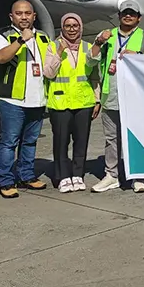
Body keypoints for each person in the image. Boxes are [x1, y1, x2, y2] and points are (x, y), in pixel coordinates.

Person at [89, 0, 144, 194]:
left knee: (136, 137)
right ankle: (112, 175)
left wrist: (139, 54)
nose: (128, 16)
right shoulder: (107, 36)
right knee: (112, 139)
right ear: (119, 16)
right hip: (111, 95)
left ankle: (138, 175)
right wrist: (99, 42)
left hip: (136, 97)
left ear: (139, 18)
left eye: (132, 14)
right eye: (125, 13)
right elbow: (91, 60)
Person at [0, 0, 51, 198]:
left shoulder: (43, 37)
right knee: (9, 142)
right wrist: (21, 40)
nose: (23, 17)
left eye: (27, 13)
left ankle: (26, 175)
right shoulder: (3, 35)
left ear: (34, 16)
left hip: (37, 99)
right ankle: (6, 181)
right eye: (19, 13)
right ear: (11, 17)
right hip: (12, 100)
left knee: (30, 141)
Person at [43, 13, 102, 193]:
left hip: (84, 102)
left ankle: (78, 174)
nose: (71, 29)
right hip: (60, 102)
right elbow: (48, 73)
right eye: (67, 26)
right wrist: (60, 52)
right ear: (62, 28)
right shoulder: (52, 46)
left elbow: (94, 76)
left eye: (75, 25)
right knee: (61, 141)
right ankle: (62, 176)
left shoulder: (88, 47)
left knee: (81, 141)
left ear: (80, 27)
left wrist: (97, 99)